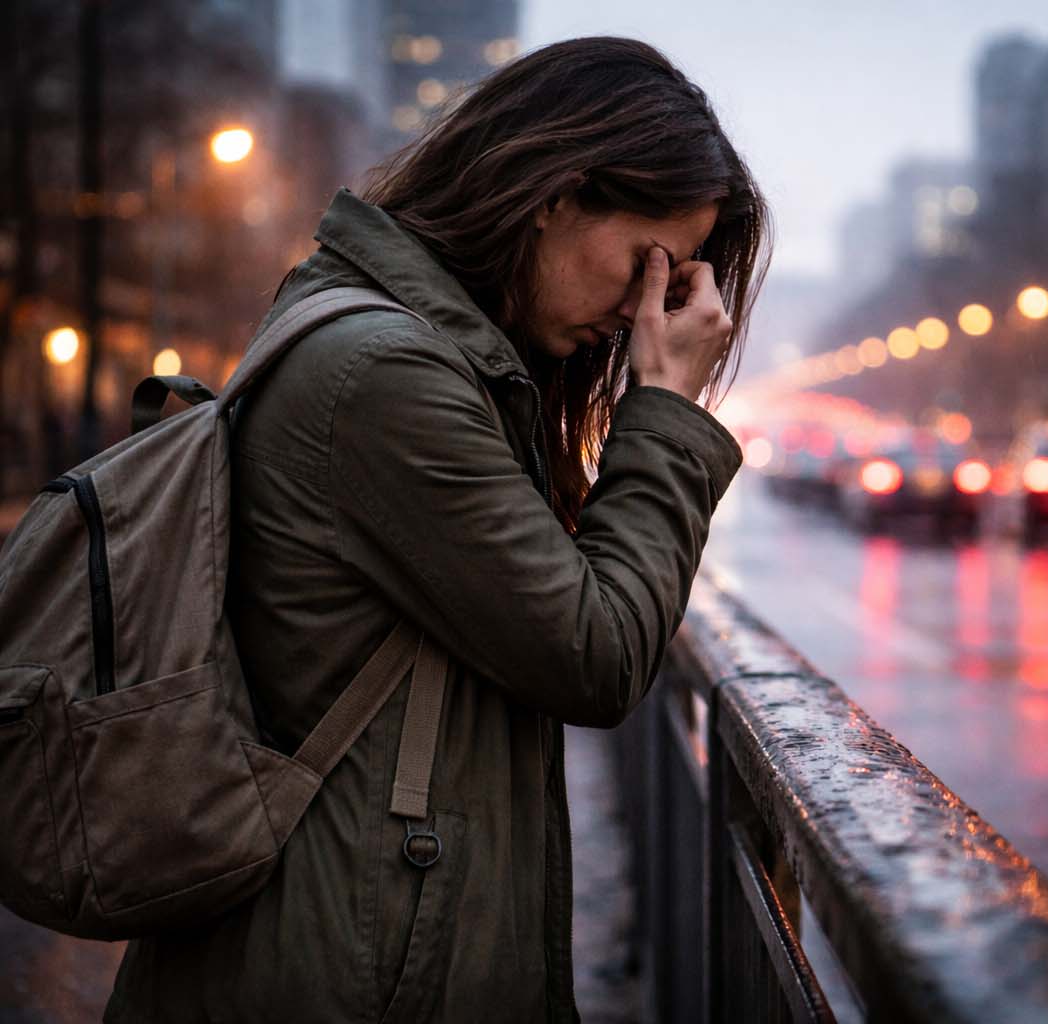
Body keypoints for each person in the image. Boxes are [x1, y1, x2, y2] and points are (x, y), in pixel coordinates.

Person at [106, 36, 768, 1023]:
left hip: (349, 943)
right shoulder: (387, 374)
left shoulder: (430, 355)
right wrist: (666, 407)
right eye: (645, 263)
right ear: (555, 194)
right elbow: (596, 653)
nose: (645, 307)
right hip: (340, 973)